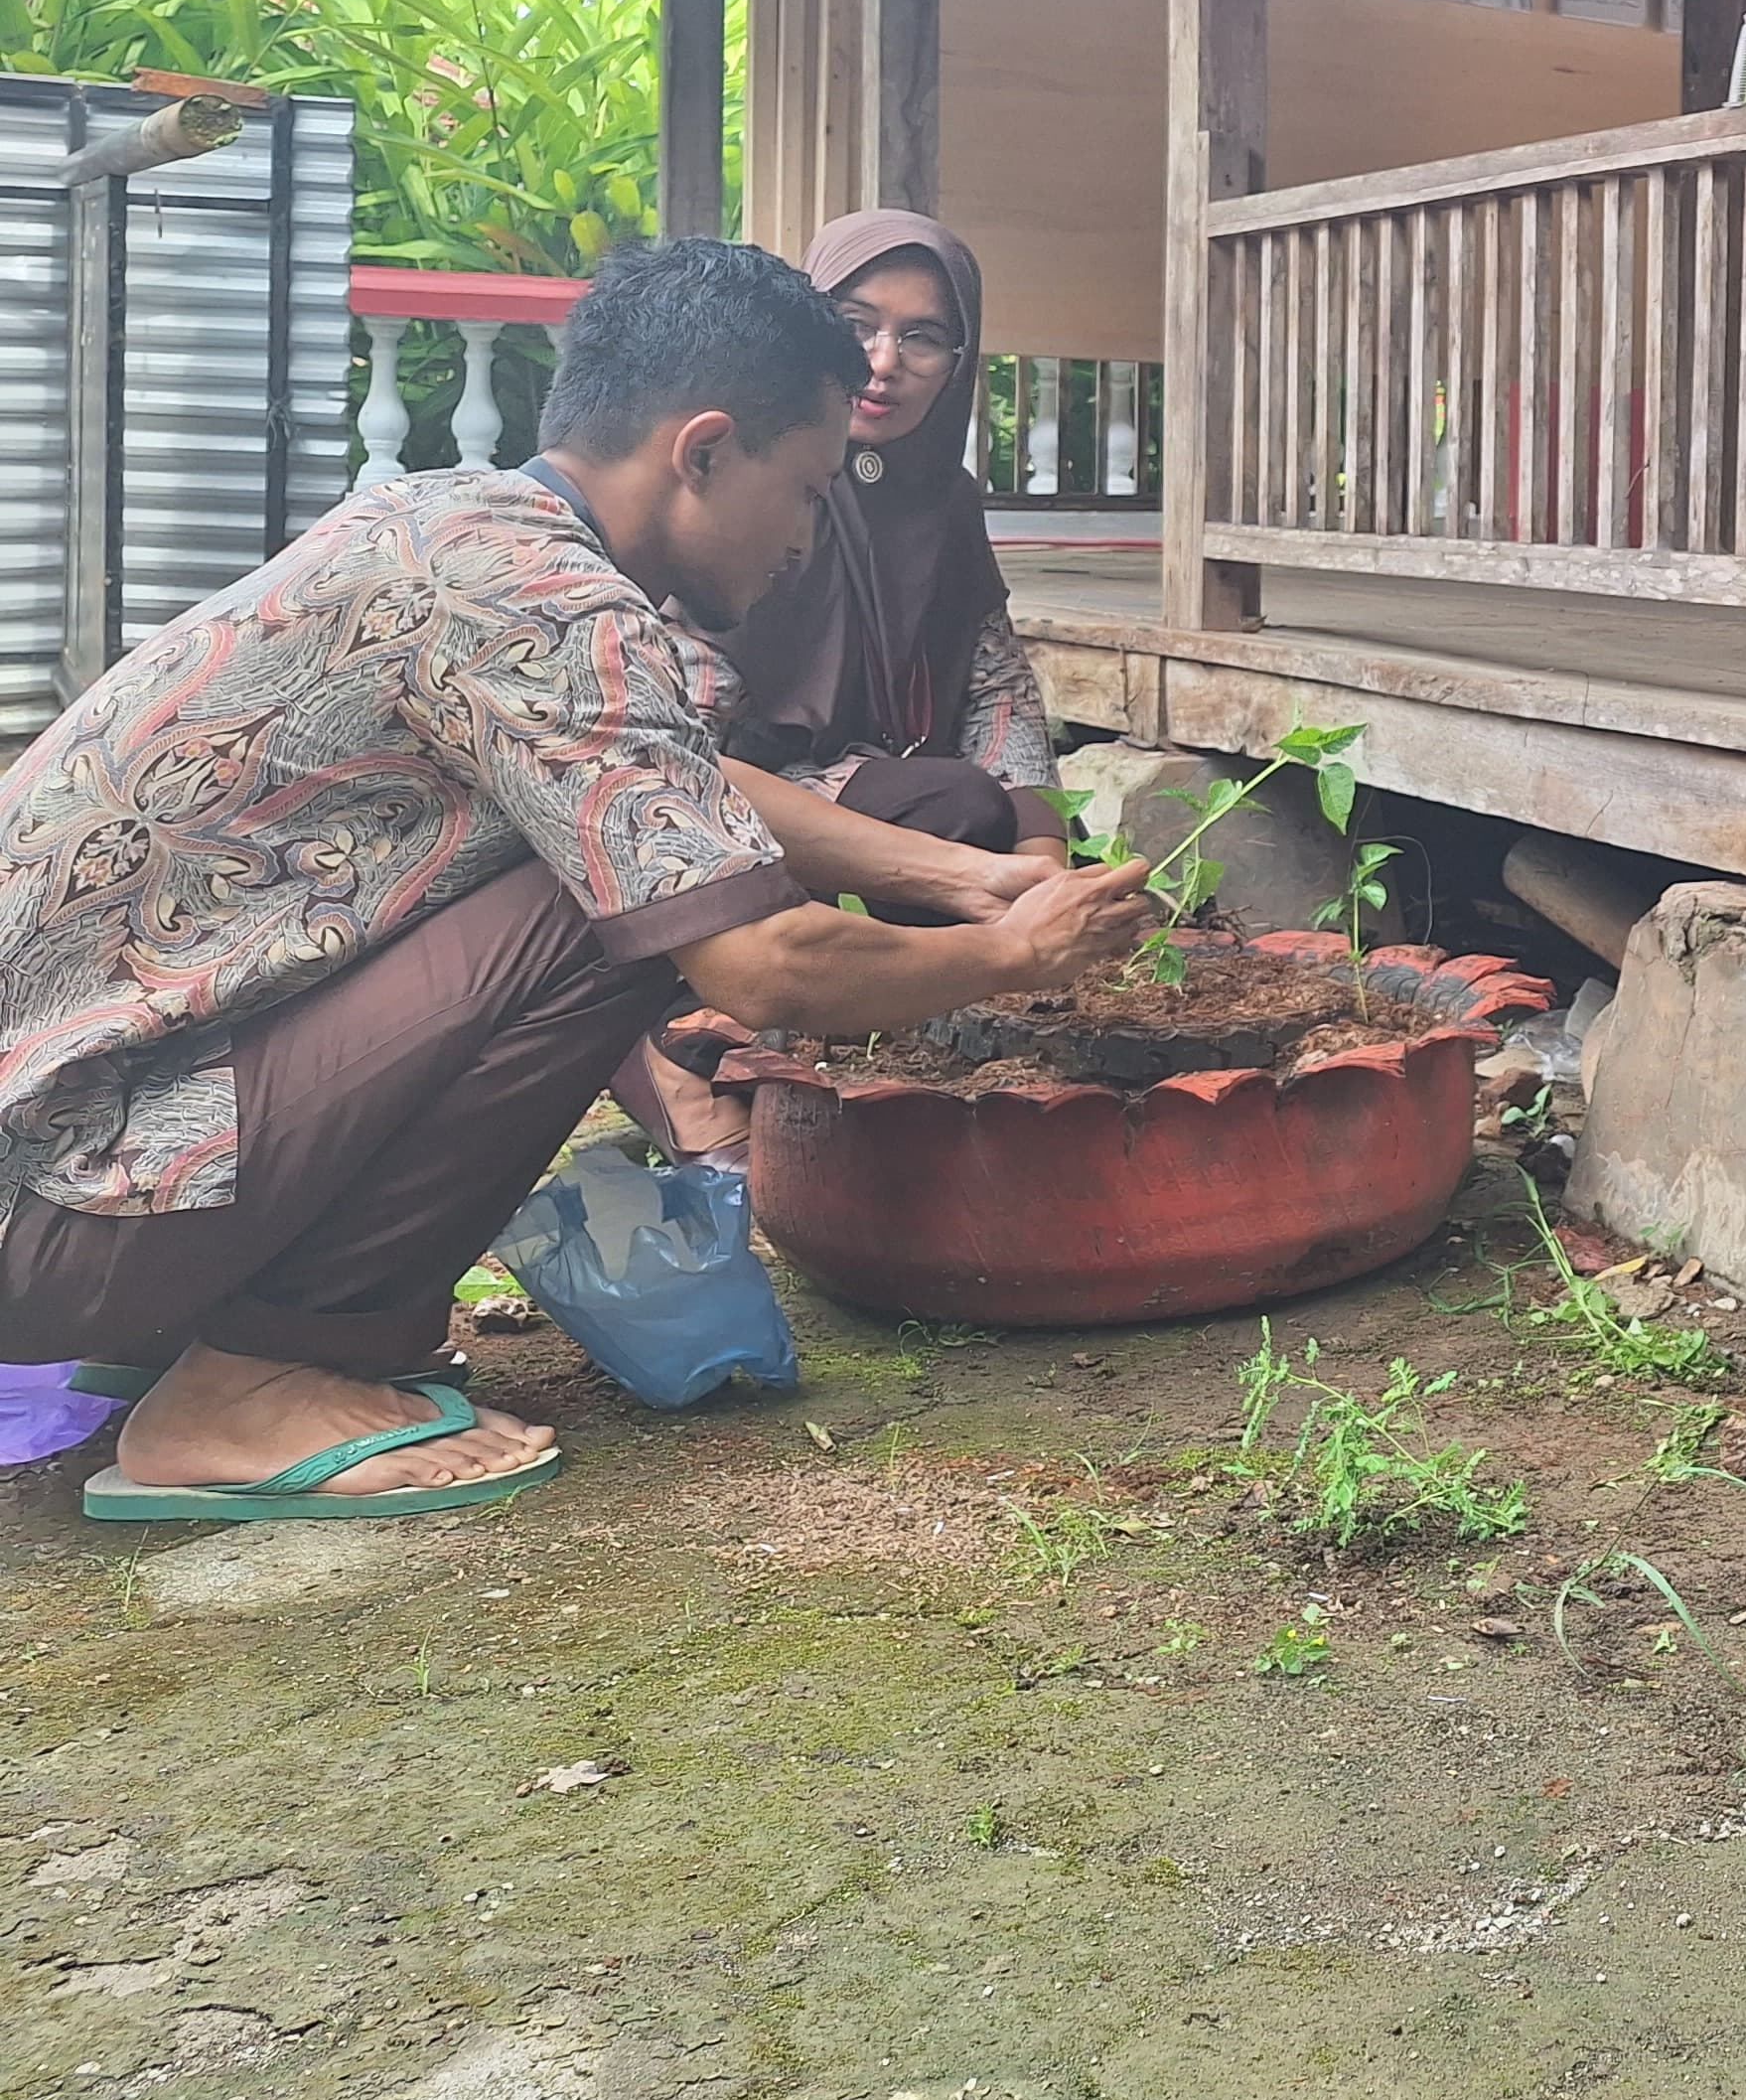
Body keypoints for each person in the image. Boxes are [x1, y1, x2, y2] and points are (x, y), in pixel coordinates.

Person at [0, 237, 1156, 1523]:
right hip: (58, 1203)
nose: (807, 533)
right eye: (808, 487)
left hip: (58, 1151)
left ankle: (228, 1320)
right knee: (619, 913)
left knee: (636, 855)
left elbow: (692, 787)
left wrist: (967, 876)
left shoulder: (458, 528)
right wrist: (1021, 954)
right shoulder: (553, 609)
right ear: (704, 451)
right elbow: (759, 959)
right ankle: (258, 1377)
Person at [619, 213, 1064, 1163]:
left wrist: (1042, 848)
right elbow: (672, 698)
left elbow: (996, 681)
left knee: (965, 806)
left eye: (924, 336)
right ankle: (670, 1052)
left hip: (859, 768)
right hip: (713, 768)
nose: (884, 360)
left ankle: (919, 1038)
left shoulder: (945, 500)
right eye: (855, 323)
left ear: (959, 358)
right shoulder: (747, 463)